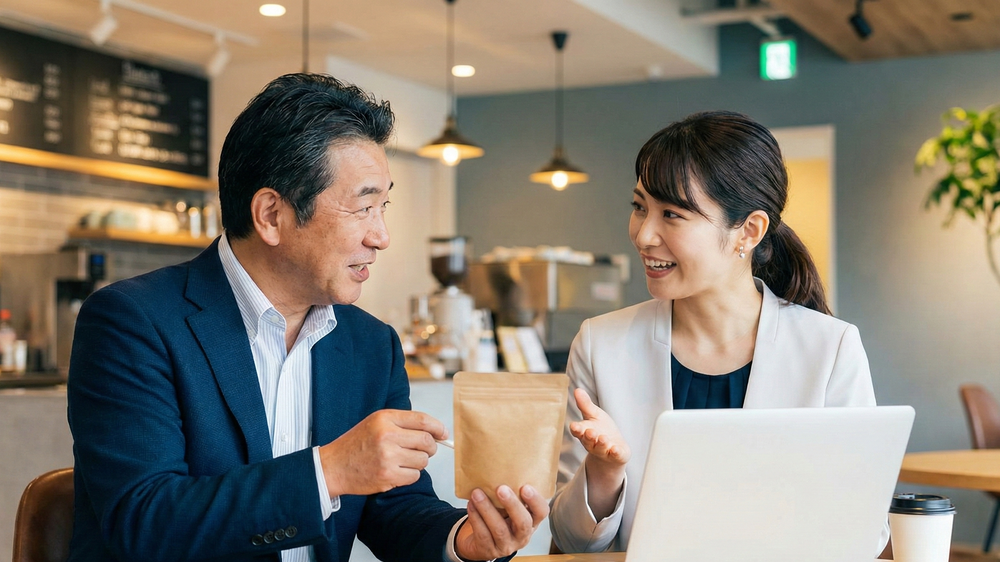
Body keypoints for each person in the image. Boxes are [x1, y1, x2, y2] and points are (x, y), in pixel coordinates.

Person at [66, 73, 548, 562]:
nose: (381, 236)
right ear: (272, 215)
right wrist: (330, 471)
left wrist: (463, 541)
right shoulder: (132, 321)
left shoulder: (370, 345)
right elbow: (143, 521)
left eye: (384, 207)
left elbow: (396, 510)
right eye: (363, 208)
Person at [548, 111, 884, 554]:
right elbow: (570, 542)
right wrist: (604, 473)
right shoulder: (600, 343)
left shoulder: (831, 349)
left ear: (748, 231)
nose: (644, 234)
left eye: (672, 214)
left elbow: (866, 530)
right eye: (639, 207)